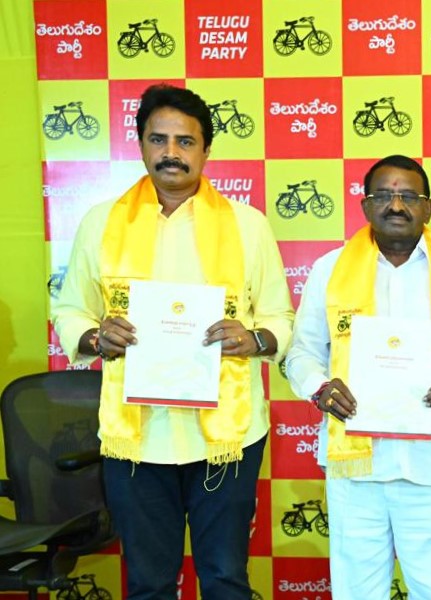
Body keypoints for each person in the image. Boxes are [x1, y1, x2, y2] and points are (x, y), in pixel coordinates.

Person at [51, 84, 294, 599]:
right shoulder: (101, 223)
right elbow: (70, 308)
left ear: (206, 150)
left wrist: (254, 338)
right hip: (137, 437)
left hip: (227, 438)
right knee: (148, 583)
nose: (171, 153)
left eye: (186, 142)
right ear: (140, 145)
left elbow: (278, 315)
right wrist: (96, 335)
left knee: (226, 578)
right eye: (158, 139)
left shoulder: (248, 227)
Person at [285, 154, 431, 598]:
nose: (397, 205)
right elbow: (301, 353)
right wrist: (320, 388)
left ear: (428, 207)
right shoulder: (329, 270)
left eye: (409, 196)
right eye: (385, 196)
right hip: (356, 468)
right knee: (357, 591)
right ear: (365, 205)